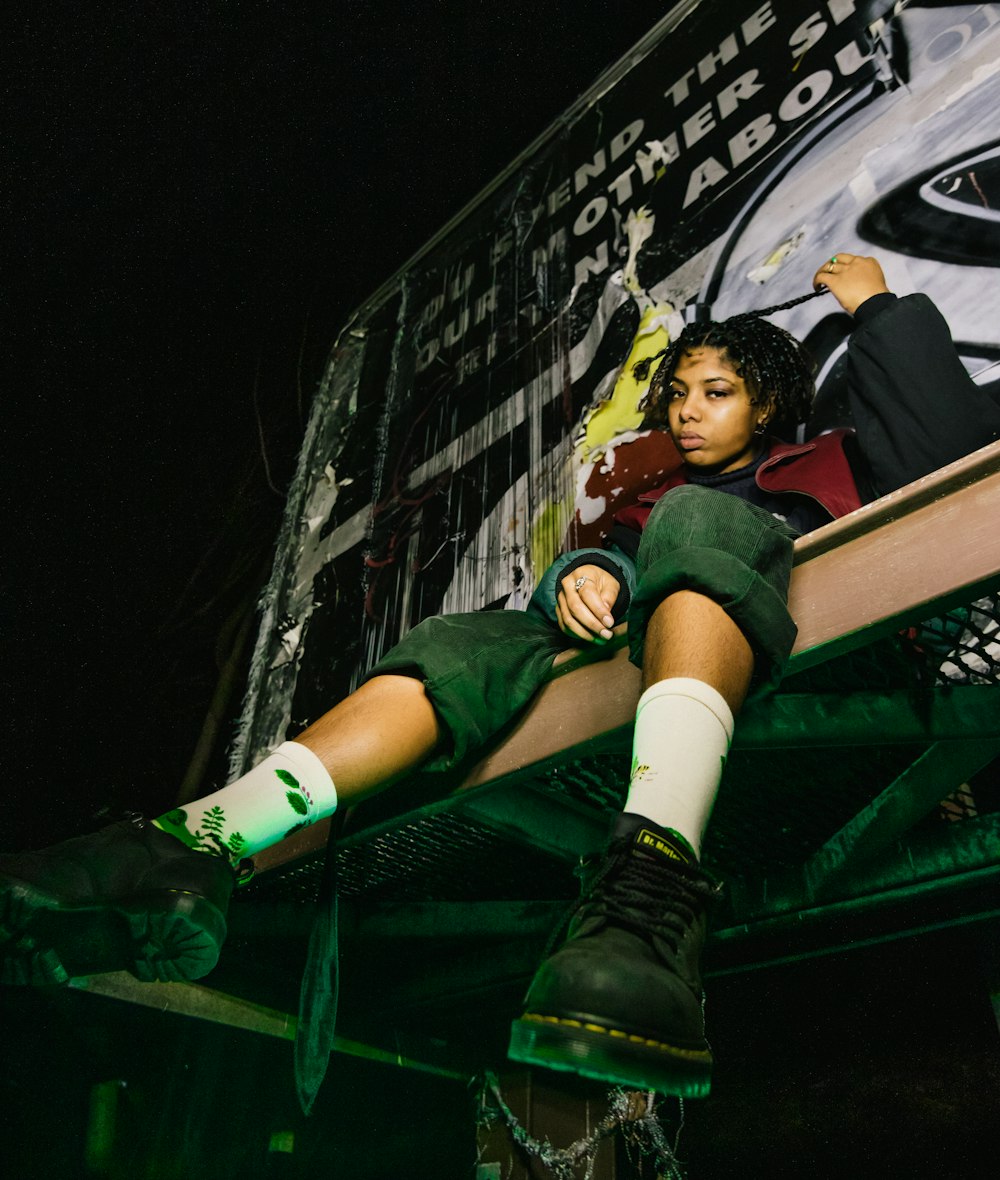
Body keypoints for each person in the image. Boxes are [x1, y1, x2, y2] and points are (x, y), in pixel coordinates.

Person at [3, 254, 997, 1099]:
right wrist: (590, 574)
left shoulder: (835, 462)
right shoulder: (649, 514)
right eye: (679, 394)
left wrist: (875, 306)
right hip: (654, 691)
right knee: (463, 640)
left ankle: (653, 878)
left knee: (697, 522)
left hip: (830, 675)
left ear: (769, 403)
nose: (689, 413)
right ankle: (193, 847)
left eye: (717, 392)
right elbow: (592, 581)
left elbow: (954, 450)